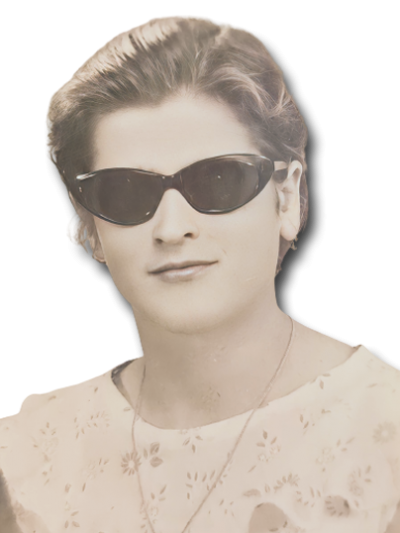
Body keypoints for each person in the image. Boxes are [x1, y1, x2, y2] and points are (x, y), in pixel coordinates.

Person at [1, 14, 399, 533]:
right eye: (125, 192)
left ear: (286, 198)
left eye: (218, 179)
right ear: (89, 227)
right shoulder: (26, 459)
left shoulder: (386, 435)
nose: (172, 228)